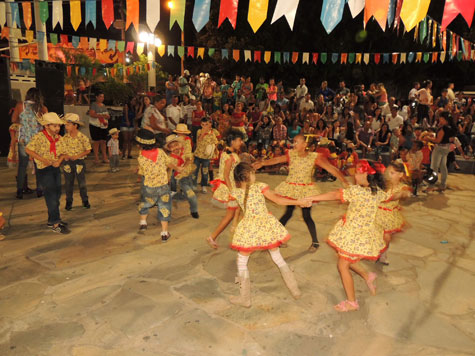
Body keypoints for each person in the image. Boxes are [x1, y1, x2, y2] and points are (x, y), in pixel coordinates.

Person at [306, 160, 396, 312]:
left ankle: (352, 302)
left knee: (342, 265)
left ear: (367, 174)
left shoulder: (358, 191)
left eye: (359, 172)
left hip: (354, 233)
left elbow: (335, 194)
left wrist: (312, 198)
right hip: (362, 233)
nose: (355, 174)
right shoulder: (378, 192)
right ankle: (368, 276)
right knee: (348, 259)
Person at [228, 163, 310, 307]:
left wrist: (235, 223)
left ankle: (245, 298)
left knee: (242, 261)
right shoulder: (259, 187)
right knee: (277, 257)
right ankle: (294, 290)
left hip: (249, 228)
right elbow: (277, 200)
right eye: (253, 173)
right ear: (248, 174)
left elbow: (239, 209)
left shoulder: (236, 192)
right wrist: (298, 201)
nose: (255, 175)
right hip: (266, 225)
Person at [253, 134, 348, 252]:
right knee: (288, 213)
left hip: (305, 190)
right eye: (294, 142)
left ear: (305, 144)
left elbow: (331, 169)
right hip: (291, 189)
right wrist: (262, 163)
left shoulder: (314, 157)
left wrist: (344, 181)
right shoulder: (291, 154)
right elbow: (277, 160)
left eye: (297, 142)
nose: (294, 144)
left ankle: (315, 242)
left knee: (306, 216)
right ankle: (275, 238)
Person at [25, 113, 70, 234]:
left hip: (55, 169)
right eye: (54, 126)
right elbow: (28, 149)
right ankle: (55, 223)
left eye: (58, 126)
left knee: (57, 193)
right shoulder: (39, 137)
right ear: (46, 126)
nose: (57, 128)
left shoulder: (59, 138)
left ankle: (52, 219)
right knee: (51, 195)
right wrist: (44, 160)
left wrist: (58, 161)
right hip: (44, 170)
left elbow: (63, 153)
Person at [136, 129, 182, 240]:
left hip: (149, 187)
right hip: (163, 186)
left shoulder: (141, 157)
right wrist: (178, 168)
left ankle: (143, 222)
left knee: (145, 202)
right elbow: (169, 163)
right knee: (164, 207)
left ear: (140, 145)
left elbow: (142, 172)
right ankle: (164, 233)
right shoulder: (160, 152)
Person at [206, 129, 244, 248]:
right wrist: (232, 191)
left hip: (231, 186)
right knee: (229, 215)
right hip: (229, 187)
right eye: (239, 140)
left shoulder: (227, 153)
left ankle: (234, 230)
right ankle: (213, 237)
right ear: (232, 141)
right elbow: (227, 175)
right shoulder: (230, 156)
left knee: (236, 210)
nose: (241, 142)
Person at [375, 161, 411, 265]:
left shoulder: (402, 187)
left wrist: (398, 195)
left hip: (389, 216)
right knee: (375, 235)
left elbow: (404, 193)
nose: (388, 175)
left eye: (392, 173)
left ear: (400, 175)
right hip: (376, 212)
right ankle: (376, 250)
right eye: (387, 172)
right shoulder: (382, 183)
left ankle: (383, 254)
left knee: (386, 237)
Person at [57, 113, 92, 211]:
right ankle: (69, 201)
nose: (66, 127)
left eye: (68, 125)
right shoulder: (64, 138)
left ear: (75, 125)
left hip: (79, 162)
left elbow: (88, 149)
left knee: (82, 183)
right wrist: (65, 156)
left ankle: (85, 200)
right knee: (68, 183)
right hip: (67, 163)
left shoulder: (82, 137)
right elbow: (61, 150)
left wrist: (77, 156)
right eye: (65, 125)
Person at [16, 88, 47, 199]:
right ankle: (40, 189)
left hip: (23, 140)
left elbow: (14, 119)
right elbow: (46, 124)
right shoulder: (42, 108)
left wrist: (24, 123)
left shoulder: (20, 106)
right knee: (39, 165)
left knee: (22, 166)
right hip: (37, 141)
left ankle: (19, 191)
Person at [166, 135, 199, 219]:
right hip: (181, 180)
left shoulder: (184, 152)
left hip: (190, 176)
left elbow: (189, 158)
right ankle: (194, 211)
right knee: (192, 195)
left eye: (176, 145)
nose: (175, 148)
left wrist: (184, 166)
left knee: (187, 194)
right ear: (169, 149)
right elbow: (168, 169)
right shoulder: (170, 159)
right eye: (172, 147)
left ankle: (177, 196)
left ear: (180, 144)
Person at [426, 111, 456, 191]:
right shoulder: (452, 127)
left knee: (434, 167)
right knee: (443, 166)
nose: (439, 119)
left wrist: (428, 138)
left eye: (441, 118)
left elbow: (438, 140)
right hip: (446, 148)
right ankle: (443, 184)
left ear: (444, 119)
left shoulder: (444, 128)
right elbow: (450, 139)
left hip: (439, 148)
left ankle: (431, 185)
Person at [193, 117, 220, 193]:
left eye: (206, 124)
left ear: (210, 125)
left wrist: (214, 149)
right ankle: (193, 184)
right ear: (201, 125)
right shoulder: (199, 131)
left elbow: (215, 142)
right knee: (195, 170)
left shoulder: (212, 133)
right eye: (203, 124)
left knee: (205, 171)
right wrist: (203, 133)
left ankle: (203, 185)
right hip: (198, 155)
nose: (204, 126)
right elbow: (198, 140)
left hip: (206, 157)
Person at [88, 92, 110, 164]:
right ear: (96, 97)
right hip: (95, 125)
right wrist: (102, 116)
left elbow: (108, 116)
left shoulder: (103, 105)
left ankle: (104, 157)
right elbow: (92, 114)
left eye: (103, 97)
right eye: (100, 96)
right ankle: (96, 157)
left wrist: (103, 116)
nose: (102, 98)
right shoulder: (93, 105)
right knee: (96, 141)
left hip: (103, 126)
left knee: (103, 141)